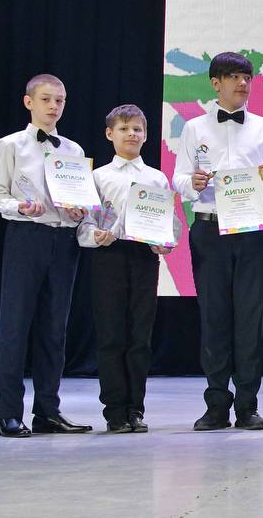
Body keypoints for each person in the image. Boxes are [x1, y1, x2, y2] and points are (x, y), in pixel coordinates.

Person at [172, 52, 263, 431]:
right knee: (214, 316)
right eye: (234, 77)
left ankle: (248, 405)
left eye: (247, 77)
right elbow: (179, 177)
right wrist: (192, 183)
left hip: (253, 229)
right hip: (210, 228)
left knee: (250, 318)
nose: (243, 83)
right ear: (215, 83)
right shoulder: (194, 128)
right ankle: (216, 403)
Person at [0, 74, 93, 437]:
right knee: (14, 326)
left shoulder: (73, 150)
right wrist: (19, 207)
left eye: (59, 100)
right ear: (29, 102)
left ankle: (47, 410)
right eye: (46, 99)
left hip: (64, 241)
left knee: (54, 329)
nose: (53, 106)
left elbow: (81, 202)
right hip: (26, 237)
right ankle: (8, 413)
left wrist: (79, 212)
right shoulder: (11, 145)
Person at [79, 104, 179, 433]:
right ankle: (114, 410)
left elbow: (169, 224)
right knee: (111, 335)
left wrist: (165, 243)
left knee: (140, 336)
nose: (131, 134)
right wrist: (96, 235)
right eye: (123, 129)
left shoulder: (156, 177)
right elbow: (86, 223)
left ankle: (136, 408)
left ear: (146, 135)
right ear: (110, 134)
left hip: (143, 257)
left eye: (137, 129)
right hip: (109, 256)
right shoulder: (98, 176)